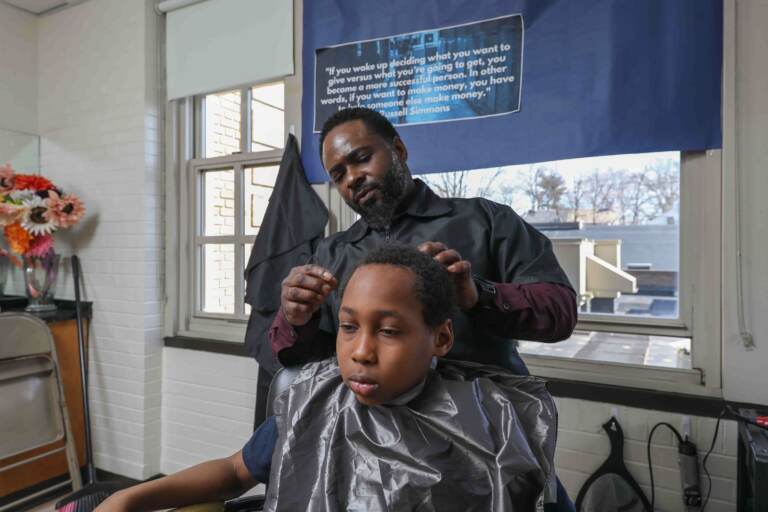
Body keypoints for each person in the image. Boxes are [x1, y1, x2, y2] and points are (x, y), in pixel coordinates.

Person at [270, 107, 577, 510]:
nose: (352, 179)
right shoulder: (331, 253)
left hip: (489, 436)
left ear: (398, 148)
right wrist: (294, 318)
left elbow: (560, 313)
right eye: (338, 174)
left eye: (362, 158)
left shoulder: (486, 221)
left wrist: (477, 295)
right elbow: (302, 359)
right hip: (373, 439)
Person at [94, 245, 557, 511]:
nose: (360, 352)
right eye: (349, 326)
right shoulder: (314, 400)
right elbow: (235, 470)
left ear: (440, 338)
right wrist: (127, 500)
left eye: (390, 331)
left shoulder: (496, 421)